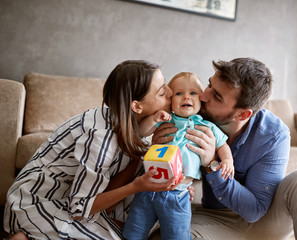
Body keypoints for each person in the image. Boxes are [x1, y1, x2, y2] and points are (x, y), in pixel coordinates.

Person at [152, 58, 297, 240]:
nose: (203, 95)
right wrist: (158, 148)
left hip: (266, 220)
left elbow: (254, 210)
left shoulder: (273, 135)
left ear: (242, 114)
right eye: (209, 85)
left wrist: (212, 164)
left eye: (216, 96)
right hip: (214, 218)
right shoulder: (191, 114)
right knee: (163, 236)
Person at [3, 60, 186, 240]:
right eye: (162, 92)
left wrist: (148, 155)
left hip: (71, 199)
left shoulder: (131, 123)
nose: (171, 92)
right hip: (36, 202)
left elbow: (109, 184)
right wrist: (135, 186)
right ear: (137, 106)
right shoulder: (100, 138)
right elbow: (79, 209)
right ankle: (27, 234)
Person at [122, 72, 234, 240]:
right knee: (134, 231)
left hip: (178, 192)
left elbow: (222, 145)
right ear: (170, 100)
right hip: (148, 187)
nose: (186, 97)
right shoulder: (165, 119)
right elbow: (140, 132)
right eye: (179, 93)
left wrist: (227, 160)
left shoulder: (207, 126)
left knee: (177, 235)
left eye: (193, 93)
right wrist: (153, 119)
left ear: (202, 99)